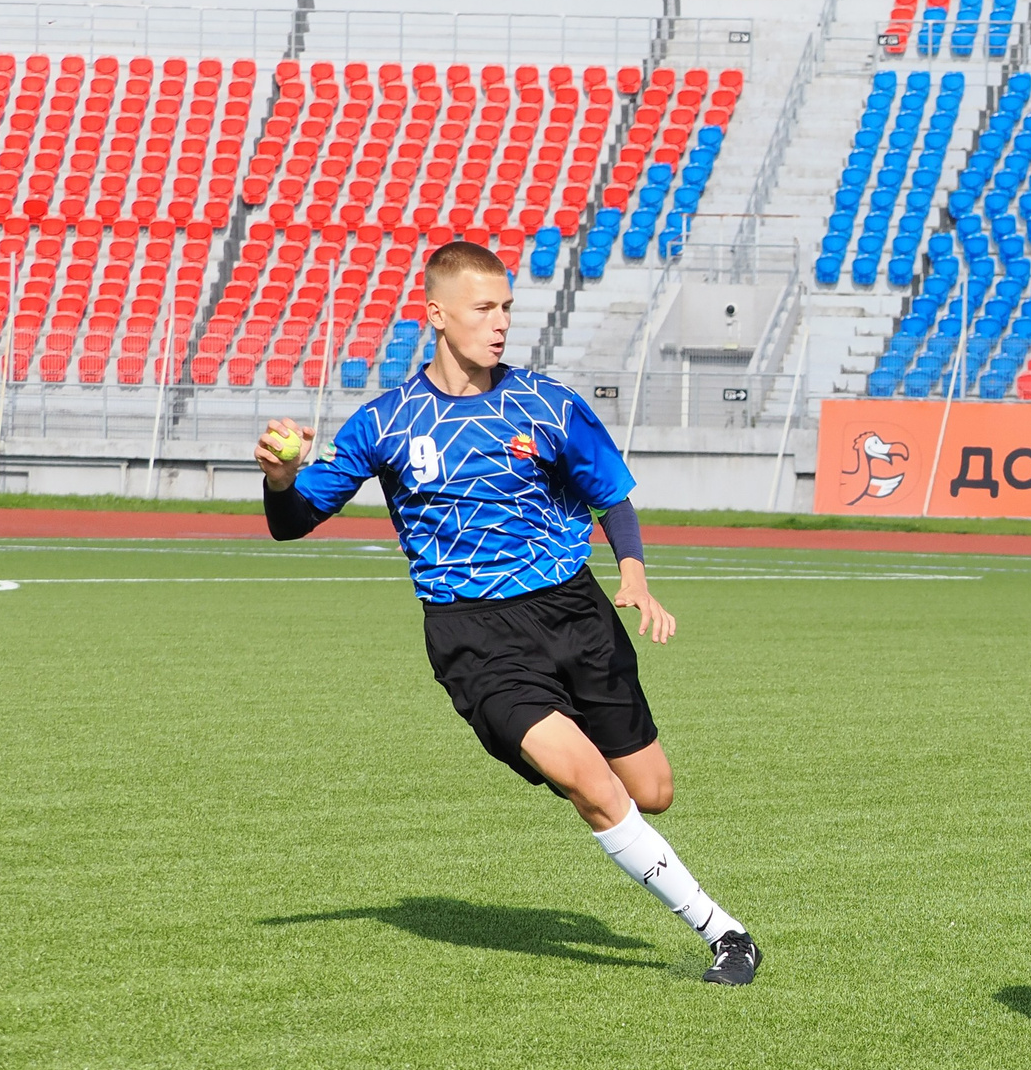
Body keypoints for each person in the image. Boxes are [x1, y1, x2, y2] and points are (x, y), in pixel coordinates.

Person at [253, 239, 761, 986]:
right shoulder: (386, 423)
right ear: (436, 314)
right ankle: (725, 933)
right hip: (473, 635)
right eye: (484, 308)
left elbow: (610, 494)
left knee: (652, 790)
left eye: (507, 309)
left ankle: (582, 756)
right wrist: (280, 479)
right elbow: (291, 521)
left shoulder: (546, 403)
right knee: (594, 786)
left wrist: (636, 575)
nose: (500, 324)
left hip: (575, 613)